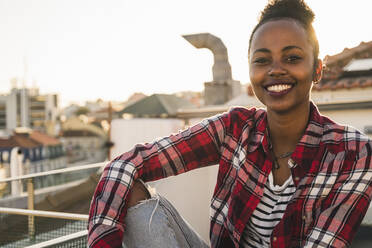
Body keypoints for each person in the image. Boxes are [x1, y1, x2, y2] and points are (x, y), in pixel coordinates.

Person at [87, 0, 372, 247]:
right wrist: (104, 239)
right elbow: (127, 163)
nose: (275, 70)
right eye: (262, 60)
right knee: (131, 190)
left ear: (317, 69)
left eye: (292, 57)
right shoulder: (235, 128)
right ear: (250, 70)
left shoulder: (355, 153)